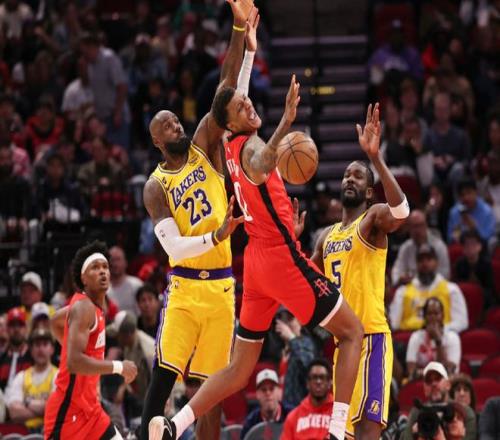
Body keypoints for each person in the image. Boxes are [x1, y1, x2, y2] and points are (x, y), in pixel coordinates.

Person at [151, 32, 365, 440]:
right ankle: (338, 432)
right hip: (280, 258)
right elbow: (264, 162)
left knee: (238, 369)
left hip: (256, 261)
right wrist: (286, 122)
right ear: (231, 122)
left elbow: (234, 95)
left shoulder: (229, 140)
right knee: (352, 332)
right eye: (241, 107)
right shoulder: (249, 148)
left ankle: (176, 424)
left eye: (246, 102)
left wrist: (248, 50)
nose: (248, 105)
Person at [140, 4, 258, 440]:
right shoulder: (155, 186)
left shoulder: (205, 144)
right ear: (157, 141)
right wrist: (217, 233)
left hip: (222, 287)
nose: (176, 125)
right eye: (168, 126)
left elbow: (227, 90)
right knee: (163, 380)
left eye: (176, 120)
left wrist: (239, 29)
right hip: (185, 288)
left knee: (211, 396)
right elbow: (173, 247)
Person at [311, 103, 409, 439]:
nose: (349, 179)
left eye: (357, 175)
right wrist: (291, 241)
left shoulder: (372, 219)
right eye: (345, 175)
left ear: (368, 191)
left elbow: (402, 211)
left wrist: (375, 158)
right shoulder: (326, 237)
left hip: (371, 339)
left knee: (367, 433)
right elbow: (304, 278)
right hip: (343, 348)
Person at [43, 241, 137, 439]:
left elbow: (54, 321)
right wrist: (119, 367)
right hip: (68, 412)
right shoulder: (83, 307)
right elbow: (74, 363)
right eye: (95, 267)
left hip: (91, 409)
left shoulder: (93, 308)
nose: (102, 271)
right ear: (83, 278)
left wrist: (69, 346)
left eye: (105, 267)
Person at [389, 244, 469, 333]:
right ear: (416, 264)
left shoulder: (451, 289)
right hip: (409, 336)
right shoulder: (402, 291)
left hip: (442, 335)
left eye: (429, 259)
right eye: (421, 260)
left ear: (436, 263)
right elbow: (394, 324)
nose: (425, 263)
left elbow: (461, 322)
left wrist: (438, 329)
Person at [401, 362, 477, 440]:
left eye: (438, 378)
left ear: (448, 385)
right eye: (428, 381)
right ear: (425, 389)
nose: (433, 384)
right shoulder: (417, 412)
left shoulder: (464, 412)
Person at [5, 328, 58, 432]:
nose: (40, 349)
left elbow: (56, 409)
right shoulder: (21, 376)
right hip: (24, 433)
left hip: (49, 432)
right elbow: (14, 413)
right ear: (31, 350)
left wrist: (26, 403)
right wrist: (43, 409)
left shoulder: (58, 375)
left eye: (45, 344)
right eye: (37, 345)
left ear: (52, 349)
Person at [391, 210, 450, 287]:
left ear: (426, 225)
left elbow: (445, 273)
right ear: (409, 228)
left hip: (435, 288)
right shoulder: (405, 248)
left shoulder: (439, 246)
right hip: (411, 289)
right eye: (414, 226)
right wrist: (400, 278)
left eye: (420, 225)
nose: (417, 230)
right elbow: (397, 271)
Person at [406, 297, 461, 379]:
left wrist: (438, 340)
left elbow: (449, 371)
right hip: (421, 381)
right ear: (424, 317)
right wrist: (433, 373)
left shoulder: (453, 337)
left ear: (442, 316)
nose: (433, 317)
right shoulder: (416, 337)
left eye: (436, 314)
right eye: (429, 314)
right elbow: (411, 371)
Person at [281, 358, 334, 440]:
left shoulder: (338, 413)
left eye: (322, 377)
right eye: (314, 377)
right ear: (307, 383)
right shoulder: (293, 417)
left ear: (330, 382)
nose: (318, 382)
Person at [275, 308, 317, 407]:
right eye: (283, 321)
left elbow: (308, 366)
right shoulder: (279, 349)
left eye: (290, 319)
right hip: (283, 408)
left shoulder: (307, 343)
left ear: (300, 321)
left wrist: (291, 338)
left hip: (300, 407)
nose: (287, 325)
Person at [240, 368, 293, 439]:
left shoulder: (292, 416)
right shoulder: (250, 424)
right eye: (263, 390)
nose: (268, 393)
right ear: (257, 394)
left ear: (279, 392)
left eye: (271, 389)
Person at [0, 307, 32, 390]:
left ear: (26, 328)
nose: (16, 329)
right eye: (12, 325)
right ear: (7, 329)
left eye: (20, 325)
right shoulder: (2, 358)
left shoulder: (33, 357)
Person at [107, 245, 143, 314]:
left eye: (118, 259)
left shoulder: (136, 285)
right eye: (112, 260)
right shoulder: (104, 290)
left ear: (125, 263)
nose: (115, 264)